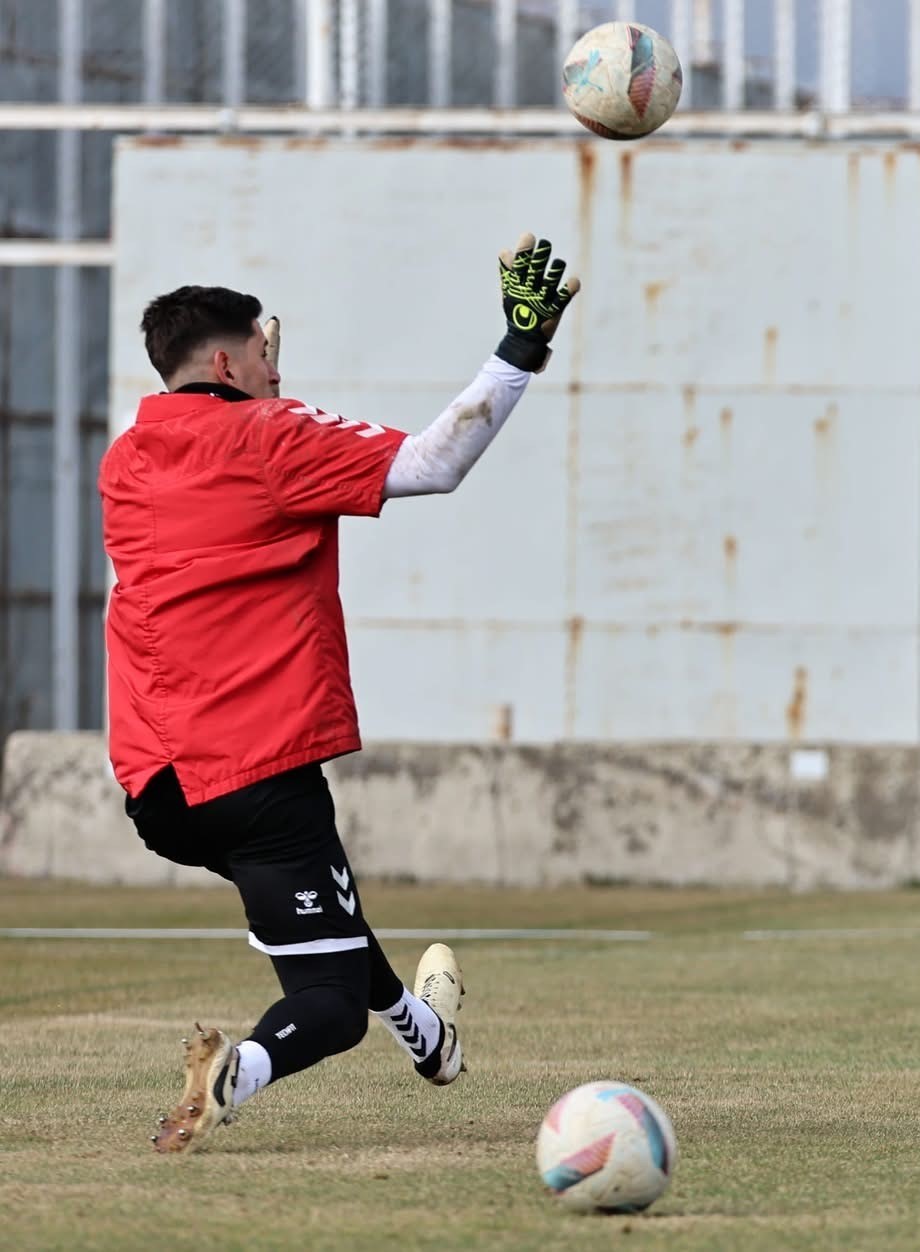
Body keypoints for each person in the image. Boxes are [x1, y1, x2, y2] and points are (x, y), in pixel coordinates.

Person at [100, 233, 580, 1154]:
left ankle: (429, 1039)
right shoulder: (270, 436)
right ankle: (236, 1072)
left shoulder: (126, 460)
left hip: (157, 788)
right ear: (229, 359)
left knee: (332, 925)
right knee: (325, 1003)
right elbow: (436, 462)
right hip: (254, 773)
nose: (278, 365)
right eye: (266, 348)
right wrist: (520, 348)